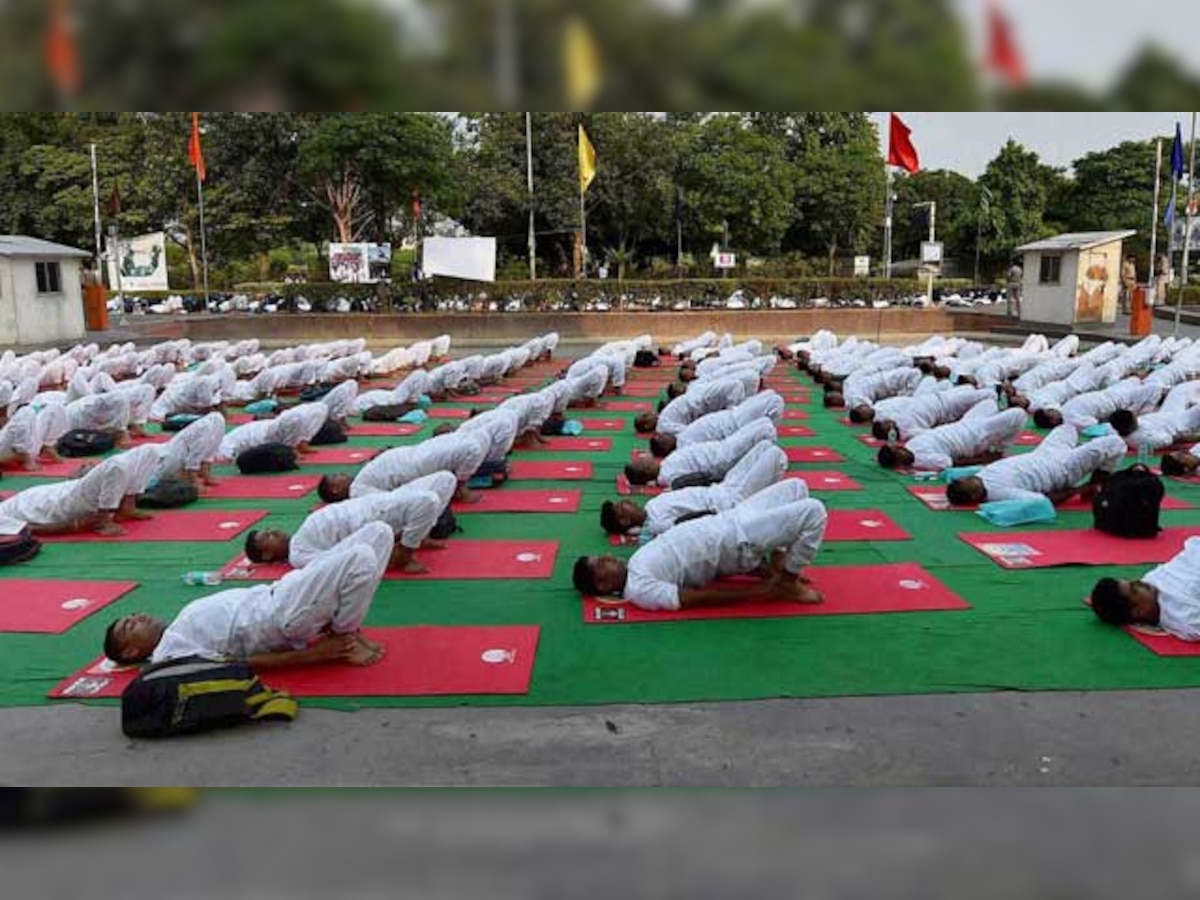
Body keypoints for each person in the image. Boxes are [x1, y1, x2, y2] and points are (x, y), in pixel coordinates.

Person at [103, 522, 394, 669]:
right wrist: (310, 655)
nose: (138, 616)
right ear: (131, 652)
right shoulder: (169, 654)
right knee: (361, 557)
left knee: (378, 532)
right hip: (283, 615)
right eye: (131, 626)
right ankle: (345, 635)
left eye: (132, 616)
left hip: (282, 591)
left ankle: (343, 628)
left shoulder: (179, 623)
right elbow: (232, 665)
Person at [573, 493, 828, 611]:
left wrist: (761, 572)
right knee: (814, 511)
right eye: (601, 563)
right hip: (734, 542)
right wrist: (760, 592)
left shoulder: (636, 561)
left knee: (795, 487)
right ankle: (788, 581)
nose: (607, 556)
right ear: (603, 584)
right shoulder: (639, 590)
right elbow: (693, 598)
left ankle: (779, 566)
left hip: (729, 520)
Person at [246, 473, 456, 574]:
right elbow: (339, 562)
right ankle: (405, 555)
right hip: (370, 517)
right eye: (267, 537)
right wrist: (385, 555)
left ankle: (416, 537)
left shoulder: (302, 534)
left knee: (445, 478)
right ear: (267, 555)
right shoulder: (298, 555)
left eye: (268, 530)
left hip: (372, 503)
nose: (273, 530)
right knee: (427, 500)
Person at [602, 444, 792, 539]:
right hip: (729, 503)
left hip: (722, 487)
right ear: (625, 521)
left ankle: (765, 498)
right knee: (776, 456)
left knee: (764, 447)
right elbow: (693, 522)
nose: (625, 502)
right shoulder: (656, 525)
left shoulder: (652, 505)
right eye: (621, 507)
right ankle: (764, 503)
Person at [0, 444, 160, 536]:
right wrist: (77, 525)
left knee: (148, 453)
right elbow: (31, 529)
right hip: (53, 505)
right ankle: (104, 520)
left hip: (47, 493)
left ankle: (127, 507)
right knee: (116, 468)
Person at [945, 425, 1126, 507]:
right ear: (975, 495)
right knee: (1114, 443)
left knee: (1067, 428)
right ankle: (1098, 484)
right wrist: (1080, 490)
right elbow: (1041, 500)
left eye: (967, 478)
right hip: (1062, 470)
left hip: (1044, 454)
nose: (971, 478)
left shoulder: (981, 478)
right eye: (969, 482)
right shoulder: (998, 494)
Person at [318, 431, 488, 504]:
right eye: (337, 476)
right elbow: (388, 502)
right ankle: (459, 490)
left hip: (415, 453)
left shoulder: (361, 481)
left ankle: (459, 487)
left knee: (468, 441)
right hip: (415, 465)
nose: (342, 474)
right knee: (469, 448)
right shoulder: (357, 492)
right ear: (335, 489)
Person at [1089, 538, 1200, 640]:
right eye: (1134, 589)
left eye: (1131, 581)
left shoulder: (1150, 580)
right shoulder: (1186, 618)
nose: (1138, 581)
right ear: (1138, 611)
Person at [624, 418, 776, 488]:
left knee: (762, 422)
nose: (647, 459)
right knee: (764, 429)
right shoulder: (668, 477)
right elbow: (699, 480)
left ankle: (768, 457)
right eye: (643, 462)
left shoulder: (664, 465)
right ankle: (771, 462)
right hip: (721, 458)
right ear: (646, 471)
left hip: (720, 447)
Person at [877, 407, 1026, 472]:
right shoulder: (923, 461)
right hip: (975, 437)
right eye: (897, 452)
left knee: (990, 402)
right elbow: (954, 463)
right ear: (898, 462)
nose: (899, 448)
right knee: (1018, 415)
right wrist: (985, 459)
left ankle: (999, 442)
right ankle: (1001, 448)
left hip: (964, 424)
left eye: (895, 447)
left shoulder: (910, 444)